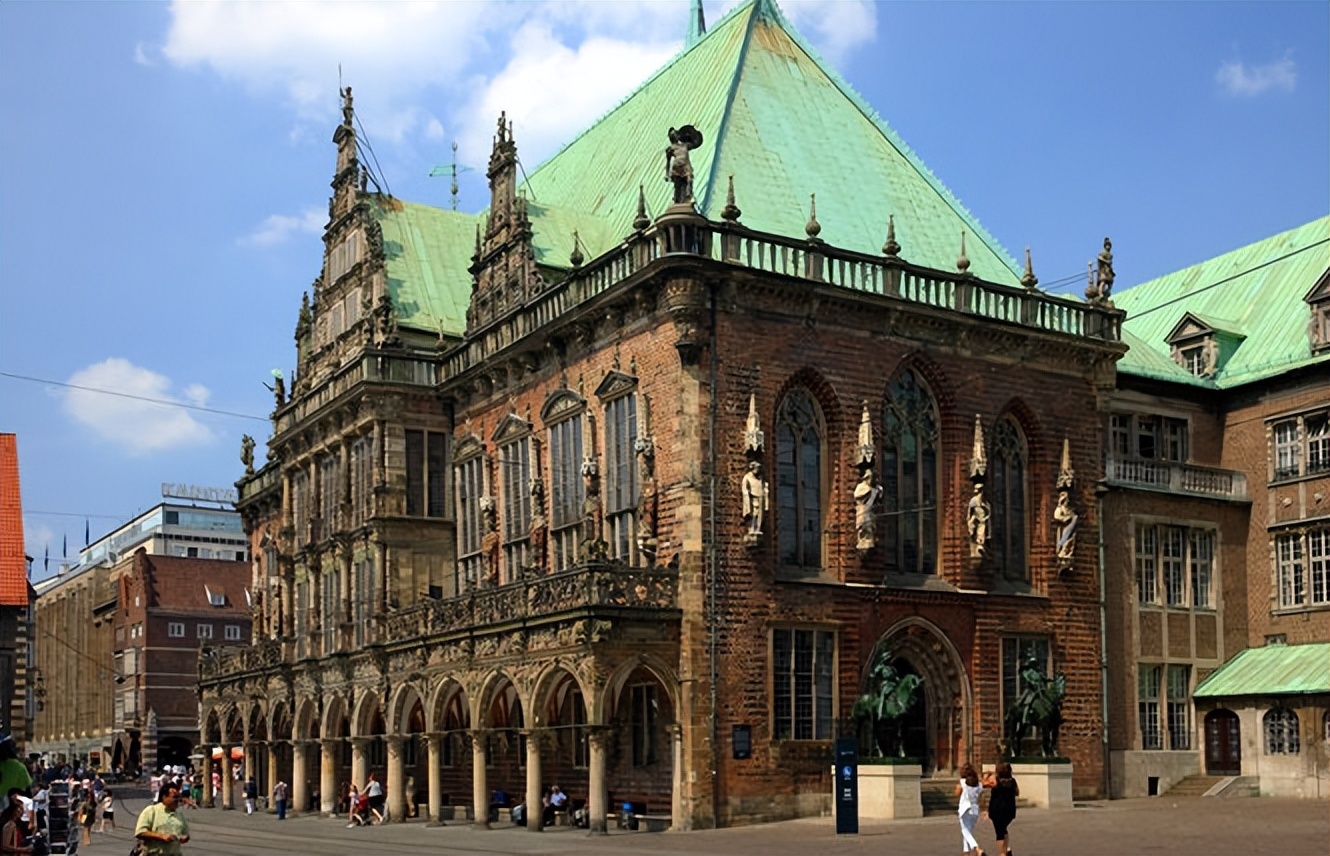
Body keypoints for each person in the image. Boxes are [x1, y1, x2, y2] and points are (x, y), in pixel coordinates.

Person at [135, 782, 191, 856]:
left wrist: (185, 838)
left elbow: (185, 834)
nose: (178, 800)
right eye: (175, 797)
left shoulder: (179, 815)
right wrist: (161, 836)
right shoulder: (151, 811)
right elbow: (140, 832)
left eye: (179, 797)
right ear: (164, 797)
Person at [983, 762, 1020, 856]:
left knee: (999, 832)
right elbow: (1017, 792)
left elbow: (983, 784)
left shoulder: (996, 781)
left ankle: (1002, 853)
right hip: (1009, 810)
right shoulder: (1012, 781)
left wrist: (988, 775)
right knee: (1003, 829)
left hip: (997, 810)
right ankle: (1006, 849)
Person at [955, 762, 985, 856]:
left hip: (965, 809)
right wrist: (984, 809)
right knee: (968, 830)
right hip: (975, 809)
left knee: (964, 830)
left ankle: (977, 848)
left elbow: (957, 793)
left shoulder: (962, 783)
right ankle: (966, 852)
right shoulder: (979, 785)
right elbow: (982, 798)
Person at [1, 788, 33, 856]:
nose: (22, 811)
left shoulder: (16, 824)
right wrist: (23, 849)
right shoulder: (10, 824)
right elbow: (5, 846)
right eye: (20, 808)